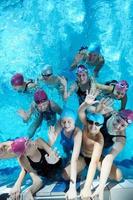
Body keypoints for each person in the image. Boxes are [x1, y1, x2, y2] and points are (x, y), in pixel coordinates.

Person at [91, 109, 133, 200]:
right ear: (115, 114)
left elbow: (109, 158)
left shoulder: (121, 139)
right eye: (118, 121)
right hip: (86, 147)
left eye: (123, 125)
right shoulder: (104, 115)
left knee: (118, 176)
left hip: (98, 153)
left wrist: (100, 189)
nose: (118, 126)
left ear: (127, 126)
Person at [48, 108, 82, 200]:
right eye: (64, 122)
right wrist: (51, 141)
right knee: (54, 172)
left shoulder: (77, 132)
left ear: (74, 121)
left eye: (69, 122)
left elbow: (75, 159)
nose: (66, 124)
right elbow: (50, 144)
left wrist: (72, 187)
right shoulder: (59, 124)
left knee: (66, 173)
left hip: (78, 153)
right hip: (66, 149)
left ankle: (78, 176)